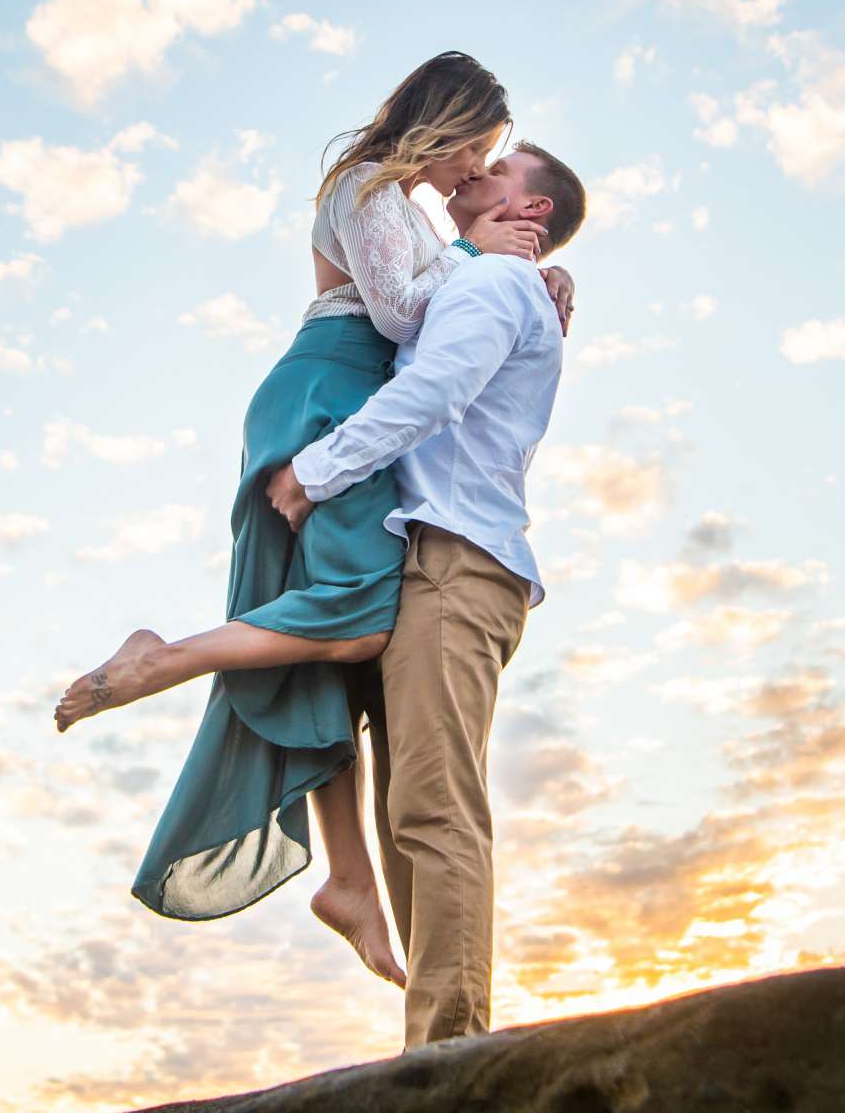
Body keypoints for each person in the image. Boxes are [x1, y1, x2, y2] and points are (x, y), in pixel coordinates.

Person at [51, 52, 576, 993]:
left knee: (322, 643)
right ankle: (163, 658)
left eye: (492, 164)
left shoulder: (414, 214)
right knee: (358, 615)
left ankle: (346, 878)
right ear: (446, 126)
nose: (472, 175)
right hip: (328, 391)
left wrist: (522, 270)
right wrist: (482, 254)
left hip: (343, 394)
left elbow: (440, 322)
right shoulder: (368, 187)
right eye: (478, 154)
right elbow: (406, 312)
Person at [264, 137, 588, 1050]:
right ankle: (434, 1045)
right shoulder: (476, 277)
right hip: (427, 561)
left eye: (501, 168)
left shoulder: (493, 286)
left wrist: (313, 473)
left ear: (534, 213)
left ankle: (448, 1052)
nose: (477, 173)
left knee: (435, 807)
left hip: (455, 562)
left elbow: (437, 392)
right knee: (407, 810)